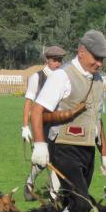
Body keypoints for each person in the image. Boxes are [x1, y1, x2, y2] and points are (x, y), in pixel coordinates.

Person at [30, 30, 106, 212]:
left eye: (103, 59)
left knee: (73, 206)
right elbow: (37, 111)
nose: (99, 63)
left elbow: (97, 120)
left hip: (87, 149)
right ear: (81, 52)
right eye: (96, 58)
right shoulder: (61, 77)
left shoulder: (99, 81)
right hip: (63, 146)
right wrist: (40, 145)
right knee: (81, 202)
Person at [21, 45, 66, 201]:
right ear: (47, 60)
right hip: (41, 125)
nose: (58, 63)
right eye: (55, 60)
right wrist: (25, 126)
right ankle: (29, 183)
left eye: (60, 60)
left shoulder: (63, 76)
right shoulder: (37, 77)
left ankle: (54, 194)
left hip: (59, 125)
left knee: (57, 160)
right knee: (42, 162)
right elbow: (29, 103)